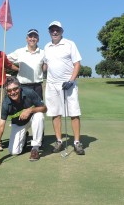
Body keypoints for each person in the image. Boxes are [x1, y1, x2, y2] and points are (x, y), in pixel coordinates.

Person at [43, 21, 85, 155]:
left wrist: (71, 80)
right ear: (49, 32)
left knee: (74, 113)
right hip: (51, 84)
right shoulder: (47, 47)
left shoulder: (70, 44)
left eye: (57, 30)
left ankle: (77, 142)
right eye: (52, 30)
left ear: (62, 31)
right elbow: (45, 66)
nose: (55, 32)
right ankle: (59, 141)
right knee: (55, 113)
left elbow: (77, 64)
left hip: (68, 84)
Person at [0, 76, 47, 161]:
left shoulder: (29, 92)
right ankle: (24, 137)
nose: (13, 92)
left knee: (39, 115)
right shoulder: (5, 103)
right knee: (14, 151)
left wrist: (30, 110)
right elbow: (0, 126)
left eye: (15, 89)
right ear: (6, 91)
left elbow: (44, 108)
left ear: (19, 87)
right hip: (19, 123)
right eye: (9, 90)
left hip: (33, 118)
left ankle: (35, 148)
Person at [7, 29, 44, 100]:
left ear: (38, 39)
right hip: (23, 86)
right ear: (26, 39)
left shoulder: (43, 53)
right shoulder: (19, 52)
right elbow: (6, 60)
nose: (32, 39)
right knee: (24, 109)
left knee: (38, 110)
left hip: (37, 87)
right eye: (30, 36)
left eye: (35, 37)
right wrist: (16, 69)